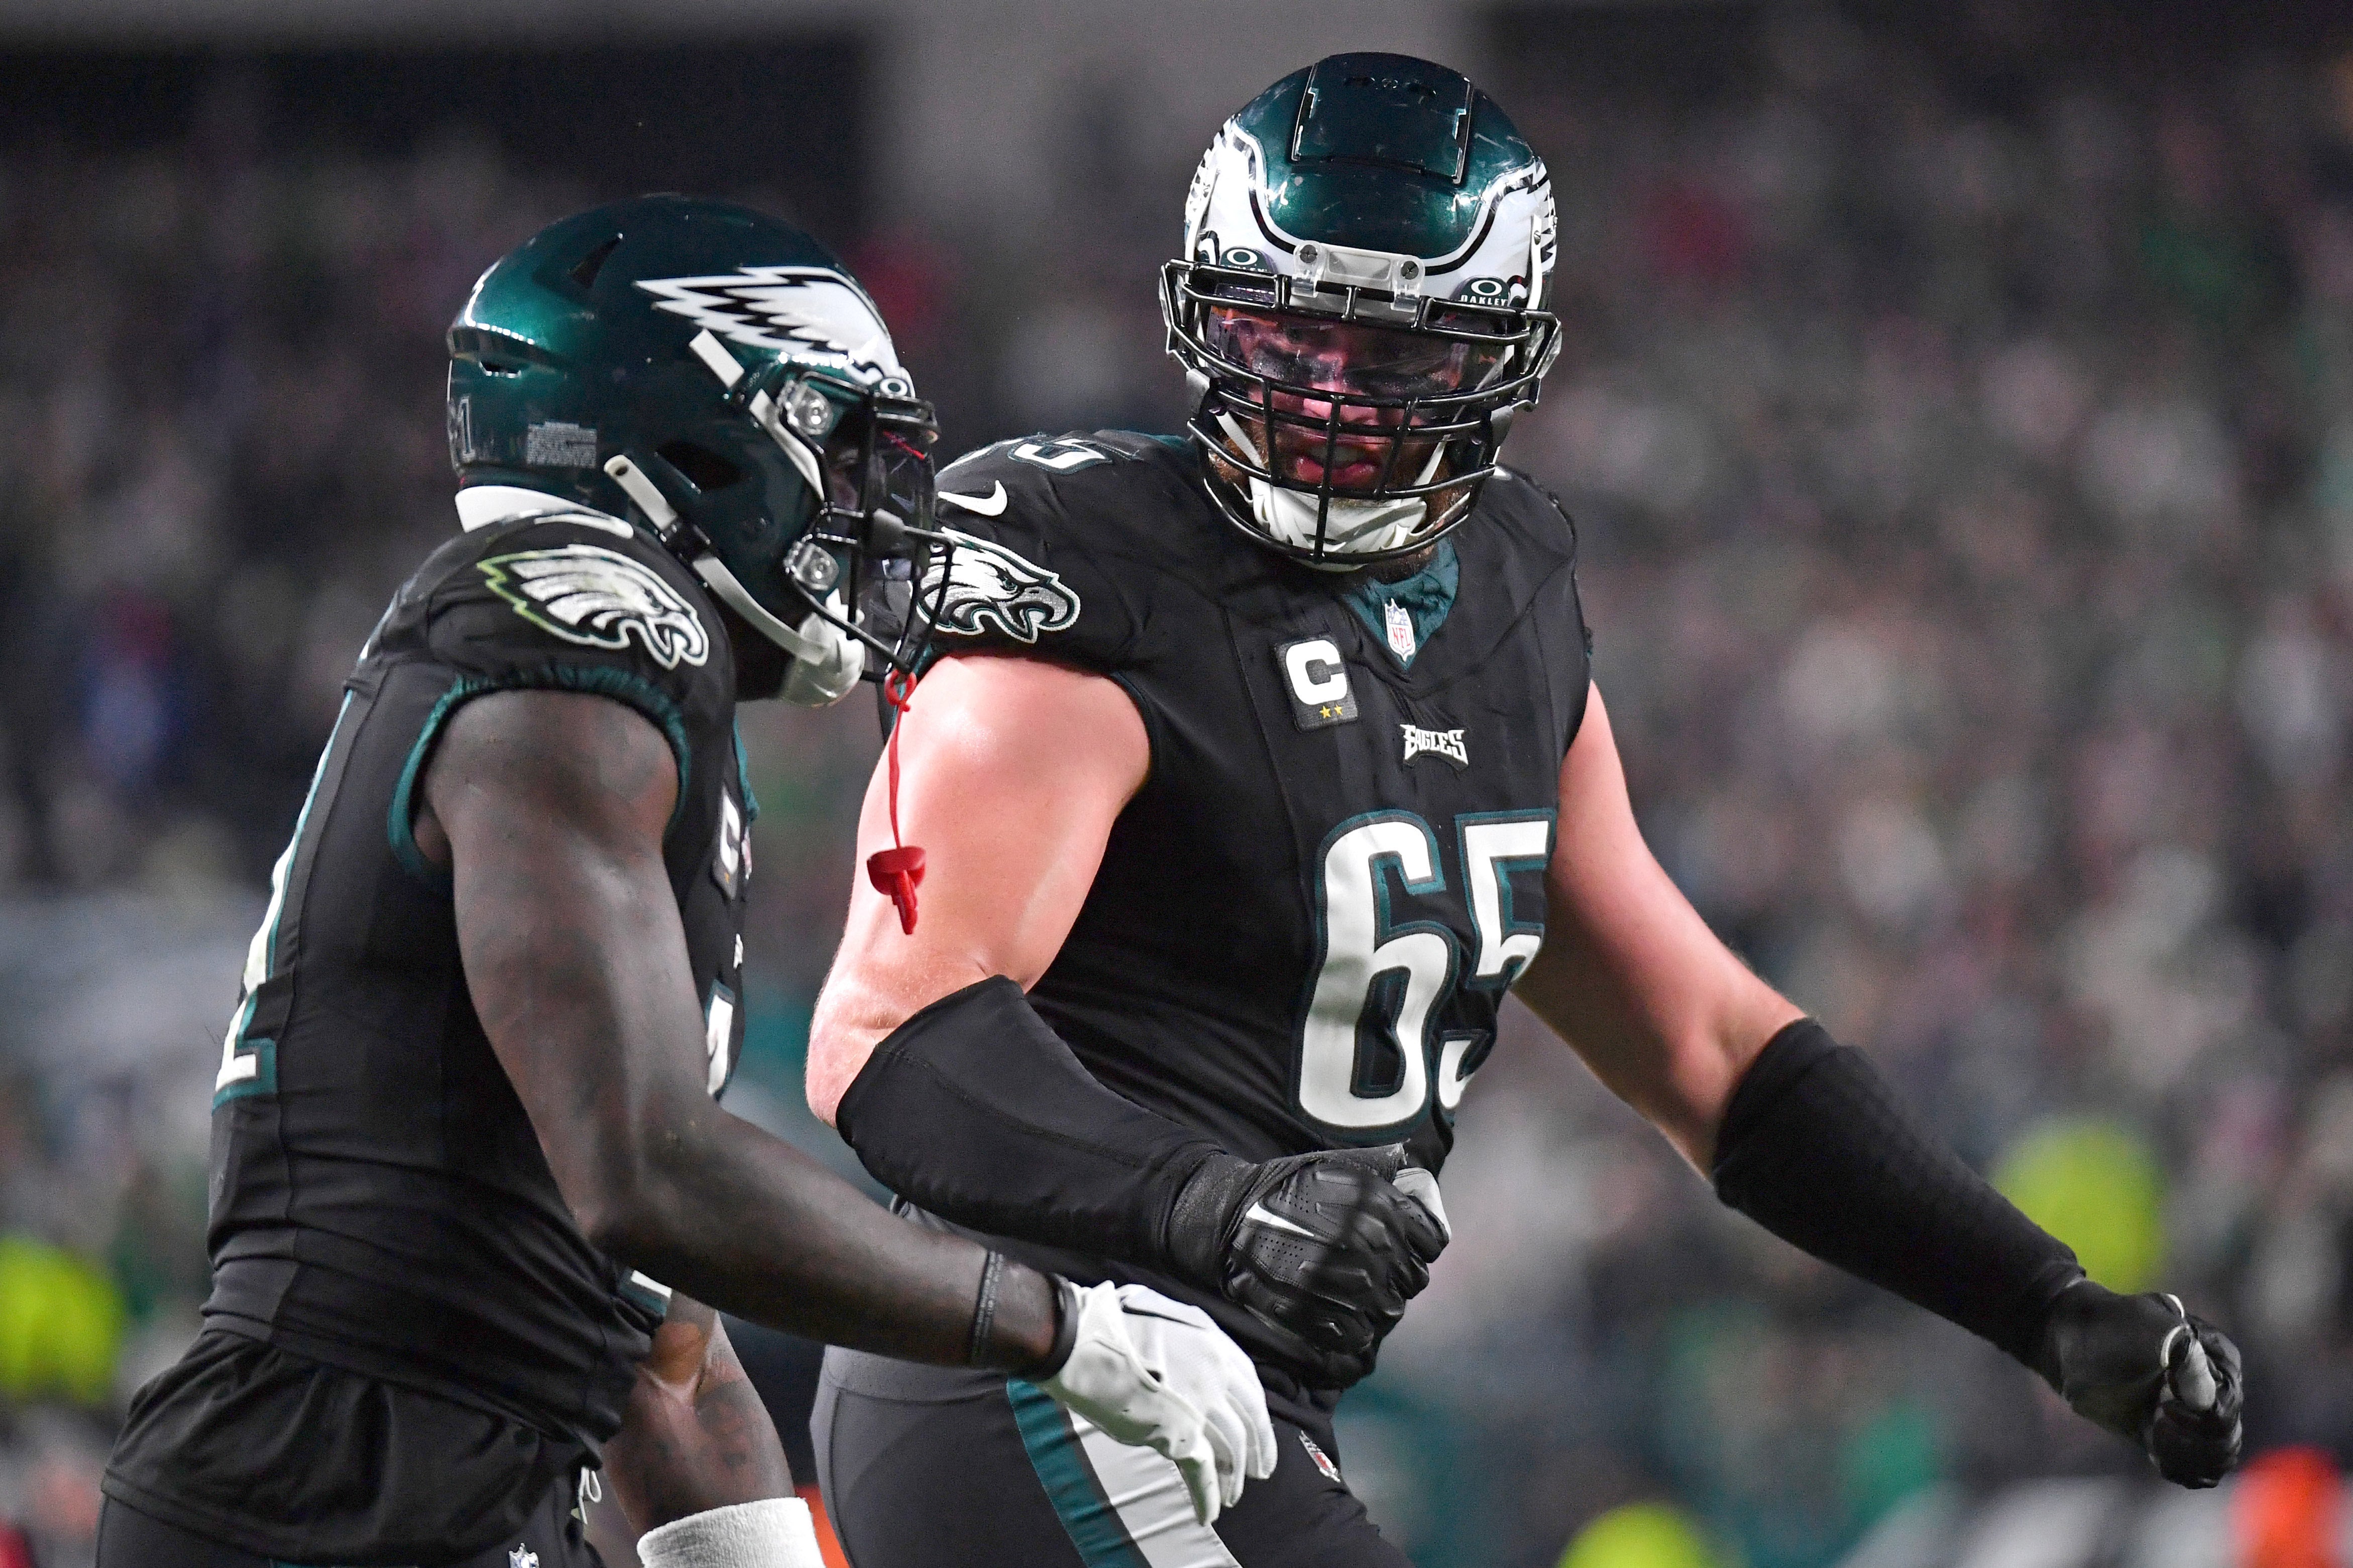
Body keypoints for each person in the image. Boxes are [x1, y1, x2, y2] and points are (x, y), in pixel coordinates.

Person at [801, 54, 2248, 1566]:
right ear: (1204, 320)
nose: (1334, 401)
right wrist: (1214, 1206)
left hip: (1237, 1400)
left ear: (1508, 360)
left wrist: (2038, 1297)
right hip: (1044, 1362)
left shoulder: (1504, 600)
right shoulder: (1092, 583)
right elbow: (888, 1033)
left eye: (1401, 359)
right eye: (1291, 335)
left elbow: (1710, 1053)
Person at [96, 195, 1274, 1568]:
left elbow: (656, 1332)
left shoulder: (636, 698)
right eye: (837, 457)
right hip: (338, 1481)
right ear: (702, 442)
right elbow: (649, 1170)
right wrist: (1059, 1324)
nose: (865, 515)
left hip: (431, 1478)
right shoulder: (578, 609)